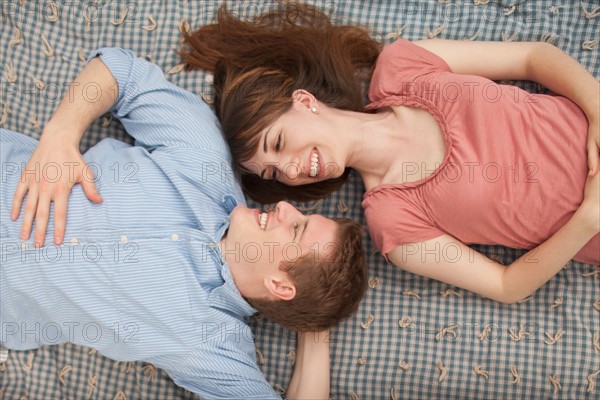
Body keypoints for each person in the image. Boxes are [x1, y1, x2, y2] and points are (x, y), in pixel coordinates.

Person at [1, 47, 367, 399]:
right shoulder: (205, 159)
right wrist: (62, 133)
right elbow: (119, 69)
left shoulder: (212, 345)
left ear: (280, 285)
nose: (286, 206)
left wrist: (315, 325)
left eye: (297, 229)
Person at [178, 4, 599, 304]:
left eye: (278, 143)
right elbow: (508, 285)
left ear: (304, 101)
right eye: (274, 173)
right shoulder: (394, 224)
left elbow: (532, 57)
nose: (289, 168)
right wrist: (587, 220)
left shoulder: (401, 67)